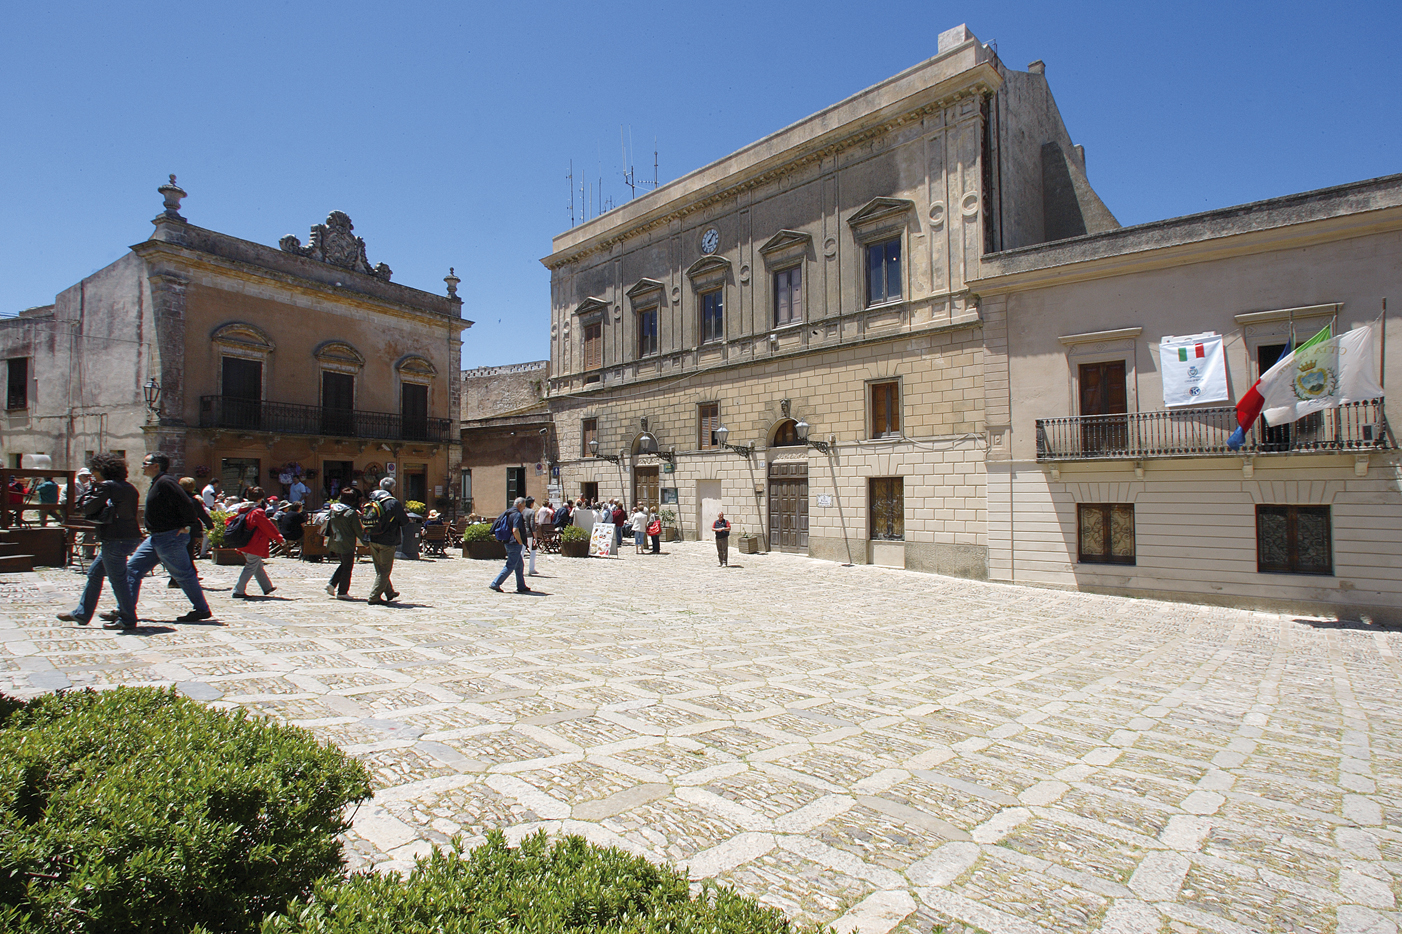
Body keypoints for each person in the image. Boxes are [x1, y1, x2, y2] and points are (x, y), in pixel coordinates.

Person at [125, 452, 212, 624]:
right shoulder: (159, 482)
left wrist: (187, 525)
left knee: (184, 575)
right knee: (132, 569)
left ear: (156, 465)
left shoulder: (166, 482)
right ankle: (125, 609)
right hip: (156, 537)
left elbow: (187, 503)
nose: (142, 466)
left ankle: (202, 609)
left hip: (169, 537)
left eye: (145, 463)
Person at [57, 453, 141, 628]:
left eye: (94, 470)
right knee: (94, 573)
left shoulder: (105, 486)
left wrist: (91, 488)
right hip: (128, 536)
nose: (92, 474)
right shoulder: (129, 487)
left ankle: (127, 619)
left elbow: (86, 507)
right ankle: (82, 613)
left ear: (102, 470)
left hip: (114, 538)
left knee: (118, 580)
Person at [230, 487, 284, 598]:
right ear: (260, 498)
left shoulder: (243, 508)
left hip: (244, 541)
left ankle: (267, 586)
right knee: (251, 566)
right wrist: (278, 537)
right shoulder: (257, 511)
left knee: (257, 565)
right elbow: (267, 526)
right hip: (254, 543)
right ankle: (238, 590)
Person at [363, 477, 409, 605]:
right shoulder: (392, 503)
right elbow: (404, 521)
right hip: (387, 540)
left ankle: (389, 592)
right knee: (384, 570)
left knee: (380, 568)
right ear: (393, 488)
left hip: (372, 537)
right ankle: (374, 596)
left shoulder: (373, 499)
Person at [324, 489, 362, 599]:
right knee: (347, 567)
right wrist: (365, 542)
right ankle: (342, 591)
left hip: (335, 540)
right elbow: (357, 530)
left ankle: (331, 584)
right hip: (347, 542)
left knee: (344, 564)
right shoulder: (351, 512)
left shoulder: (333, 510)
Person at [489, 497, 532, 594]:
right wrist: (520, 542)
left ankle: (521, 586)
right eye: (524, 506)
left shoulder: (508, 512)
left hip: (507, 541)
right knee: (510, 565)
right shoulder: (517, 514)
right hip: (514, 543)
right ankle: (495, 583)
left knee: (519, 565)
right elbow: (515, 530)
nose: (524, 508)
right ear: (520, 504)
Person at [523, 496, 539, 576]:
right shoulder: (531, 512)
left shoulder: (521, 511)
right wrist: (535, 536)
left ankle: (519, 569)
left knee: (521, 552)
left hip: (522, 533)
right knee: (533, 551)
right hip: (529, 533)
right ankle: (531, 569)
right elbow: (532, 525)